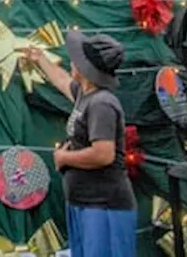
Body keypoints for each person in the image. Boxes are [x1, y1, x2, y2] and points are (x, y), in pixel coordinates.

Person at [23, 30, 136, 257]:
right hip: (84, 203)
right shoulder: (85, 95)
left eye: (77, 59)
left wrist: (64, 158)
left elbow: (104, 154)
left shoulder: (102, 104)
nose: (72, 62)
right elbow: (63, 81)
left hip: (104, 208)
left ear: (87, 70)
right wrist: (40, 59)